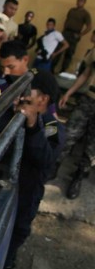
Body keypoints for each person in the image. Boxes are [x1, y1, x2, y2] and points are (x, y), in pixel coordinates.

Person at [3, 69, 61, 269]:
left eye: (26, 91)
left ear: (42, 99)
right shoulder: (12, 113)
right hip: (0, 189)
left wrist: (33, 125)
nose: (19, 96)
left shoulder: (53, 128)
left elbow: (46, 160)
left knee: (9, 244)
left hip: (24, 198)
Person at [58, 41, 95, 199]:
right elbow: (85, 74)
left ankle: (78, 177)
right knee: (69, 134)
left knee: (91, 147)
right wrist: (69, 93)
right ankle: (55, 165)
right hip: (88, 99)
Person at [59, 0, 92, 72]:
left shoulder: (85, 13)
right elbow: (67, 20)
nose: (79, 2)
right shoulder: (72, 10)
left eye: (81, 1)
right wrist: (63, 31)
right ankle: (52, 69)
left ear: (84, 2)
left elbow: (89, 27)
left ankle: (62, 70)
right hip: (66, 32)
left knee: (69, 53)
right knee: (59, 49)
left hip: (74, 35)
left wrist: (80, 35)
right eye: (78, 0)